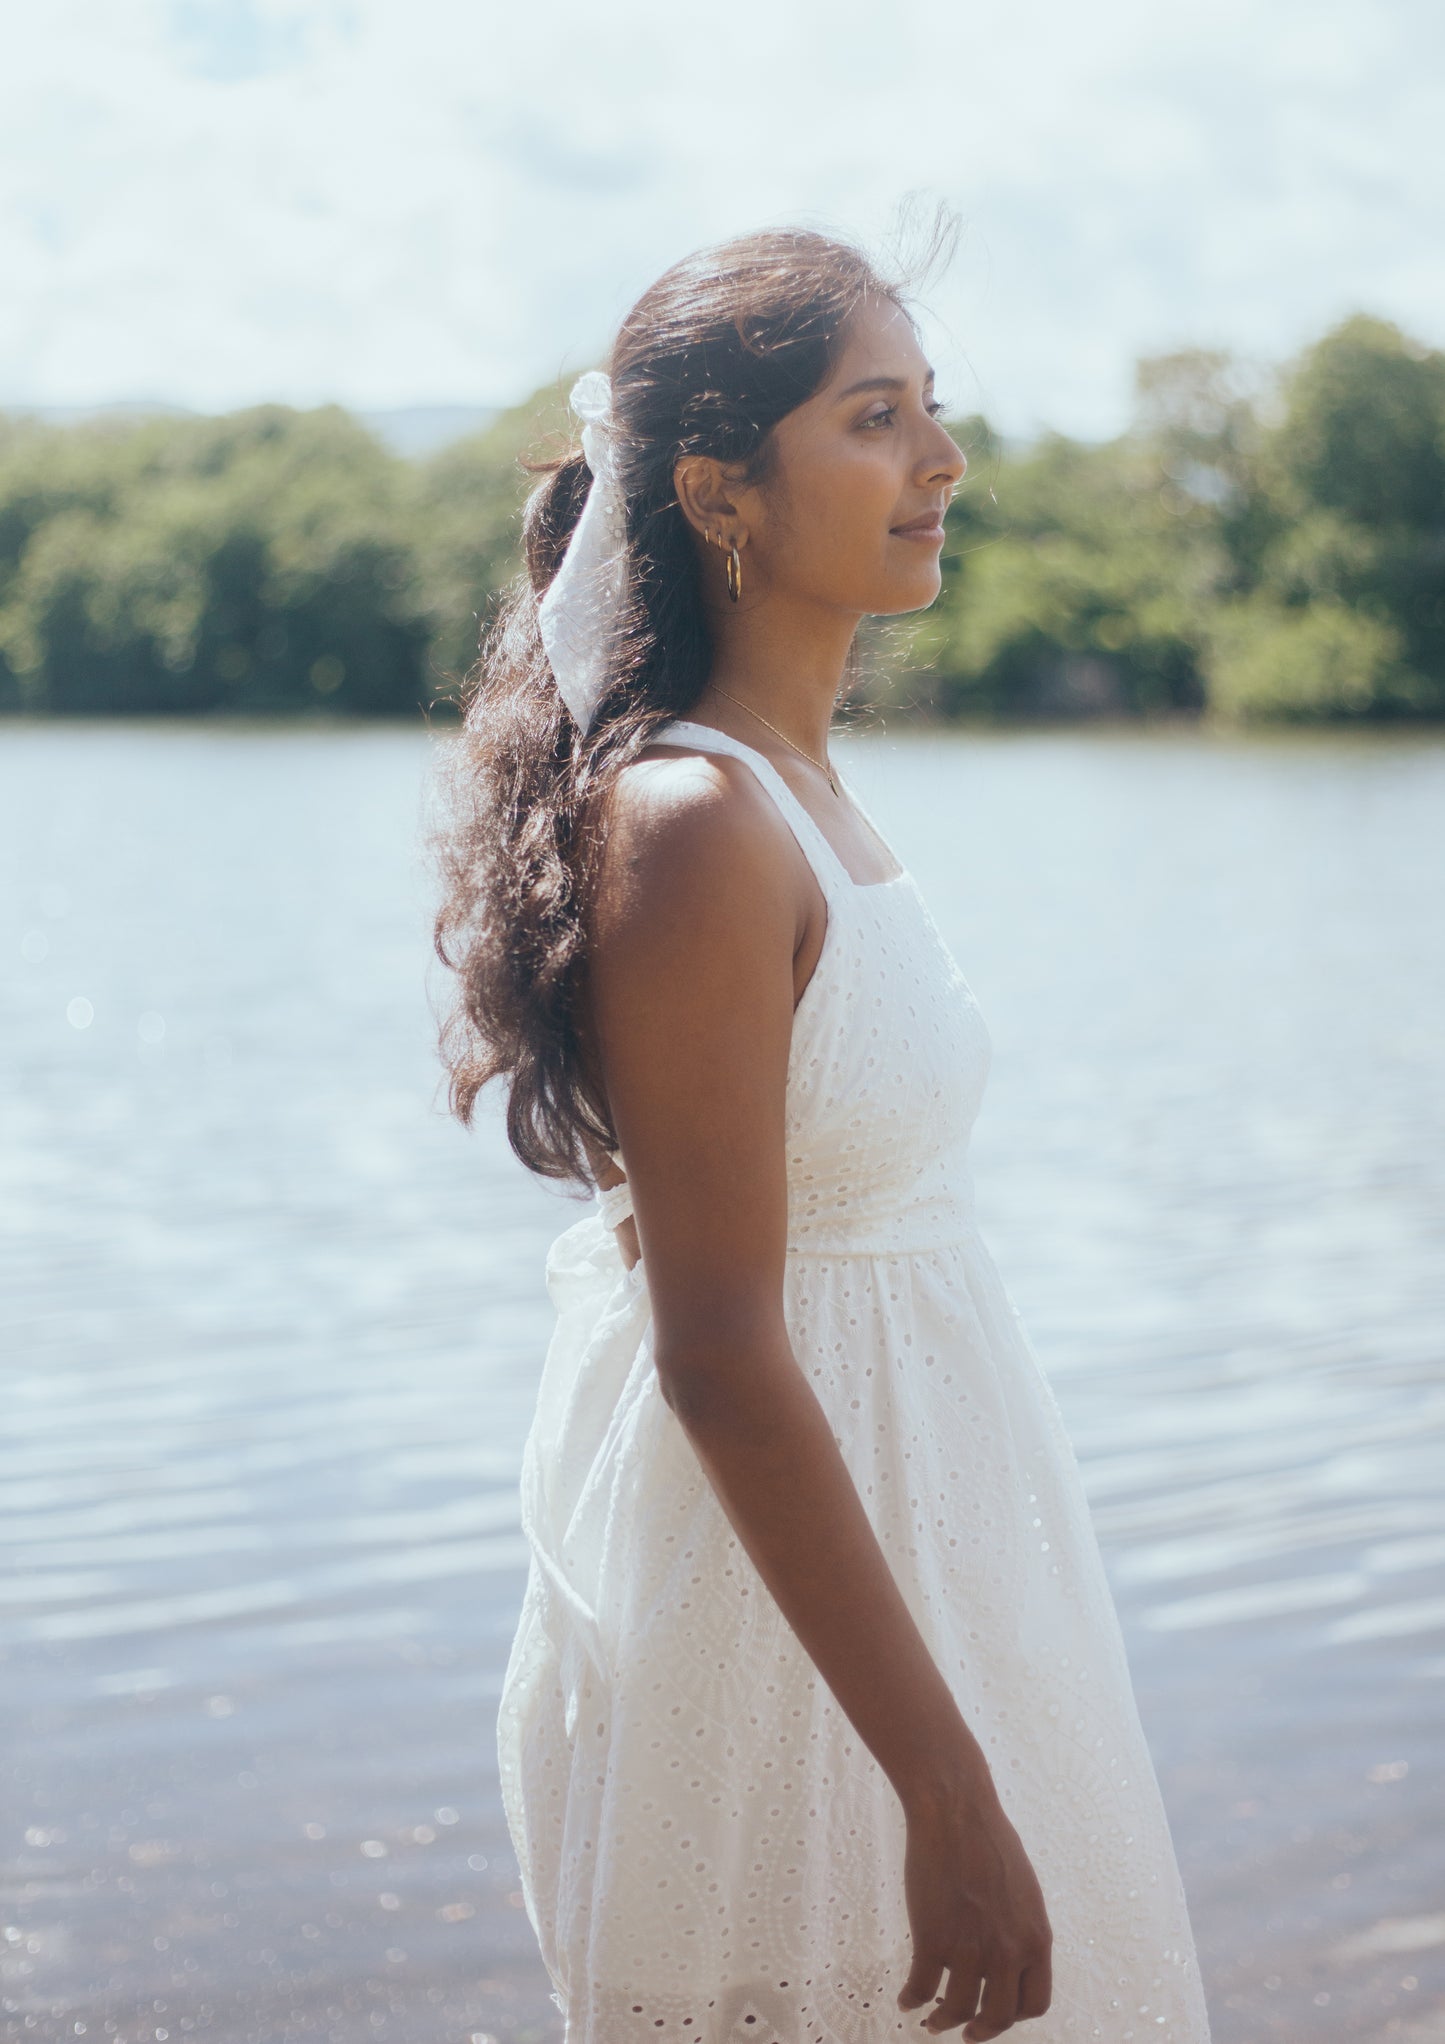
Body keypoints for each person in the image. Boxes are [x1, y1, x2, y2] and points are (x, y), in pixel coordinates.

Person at [429, 221, 1213, 2044]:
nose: (942, 461)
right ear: (719, 492)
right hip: (781, 1647)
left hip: (927, 1557)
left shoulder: (807, 798)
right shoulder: (694, 822)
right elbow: (714, 1350)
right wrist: (936, 1787)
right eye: (876, 418)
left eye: (934, 411)